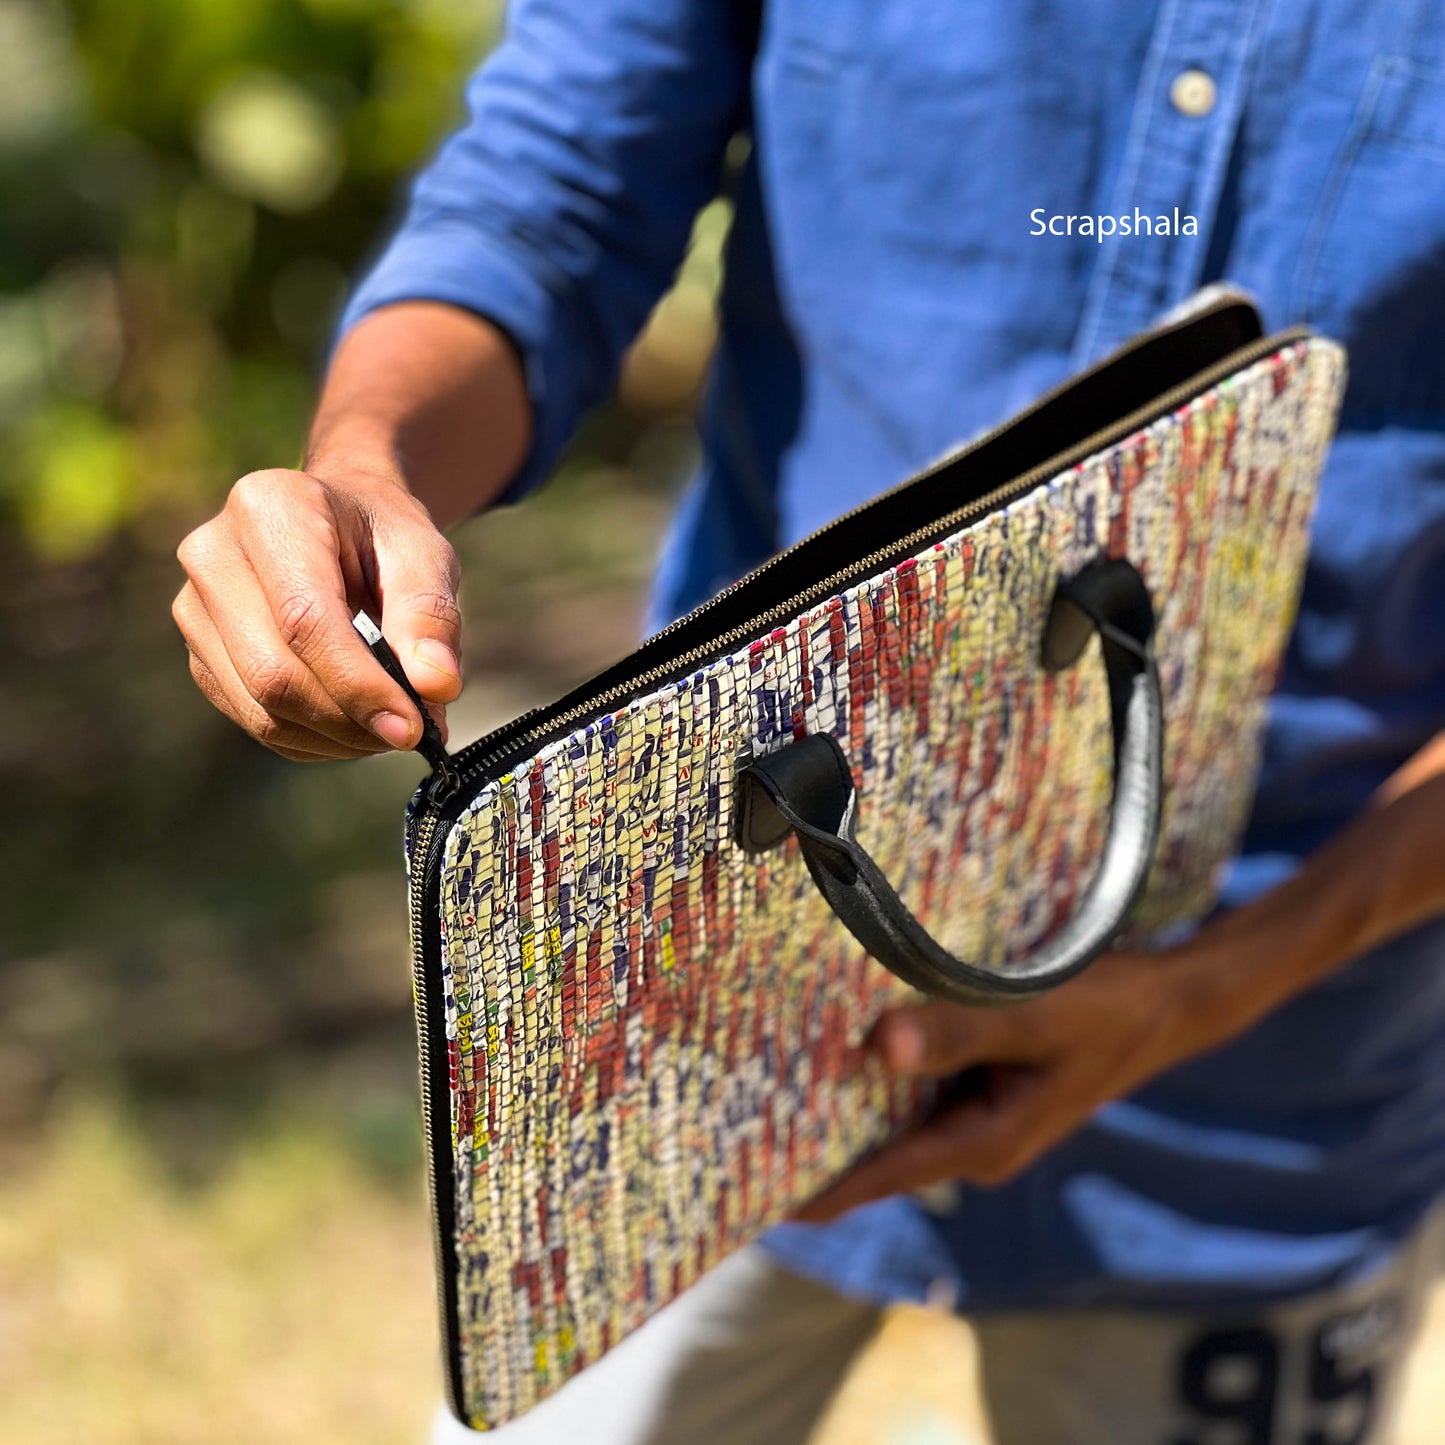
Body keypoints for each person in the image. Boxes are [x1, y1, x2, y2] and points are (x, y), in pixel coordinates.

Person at [171, 2, 1445, 1441]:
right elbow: (555, 190)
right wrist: (366, 470)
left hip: (1275, 1032)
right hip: (713, 979)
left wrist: (1222, 979)